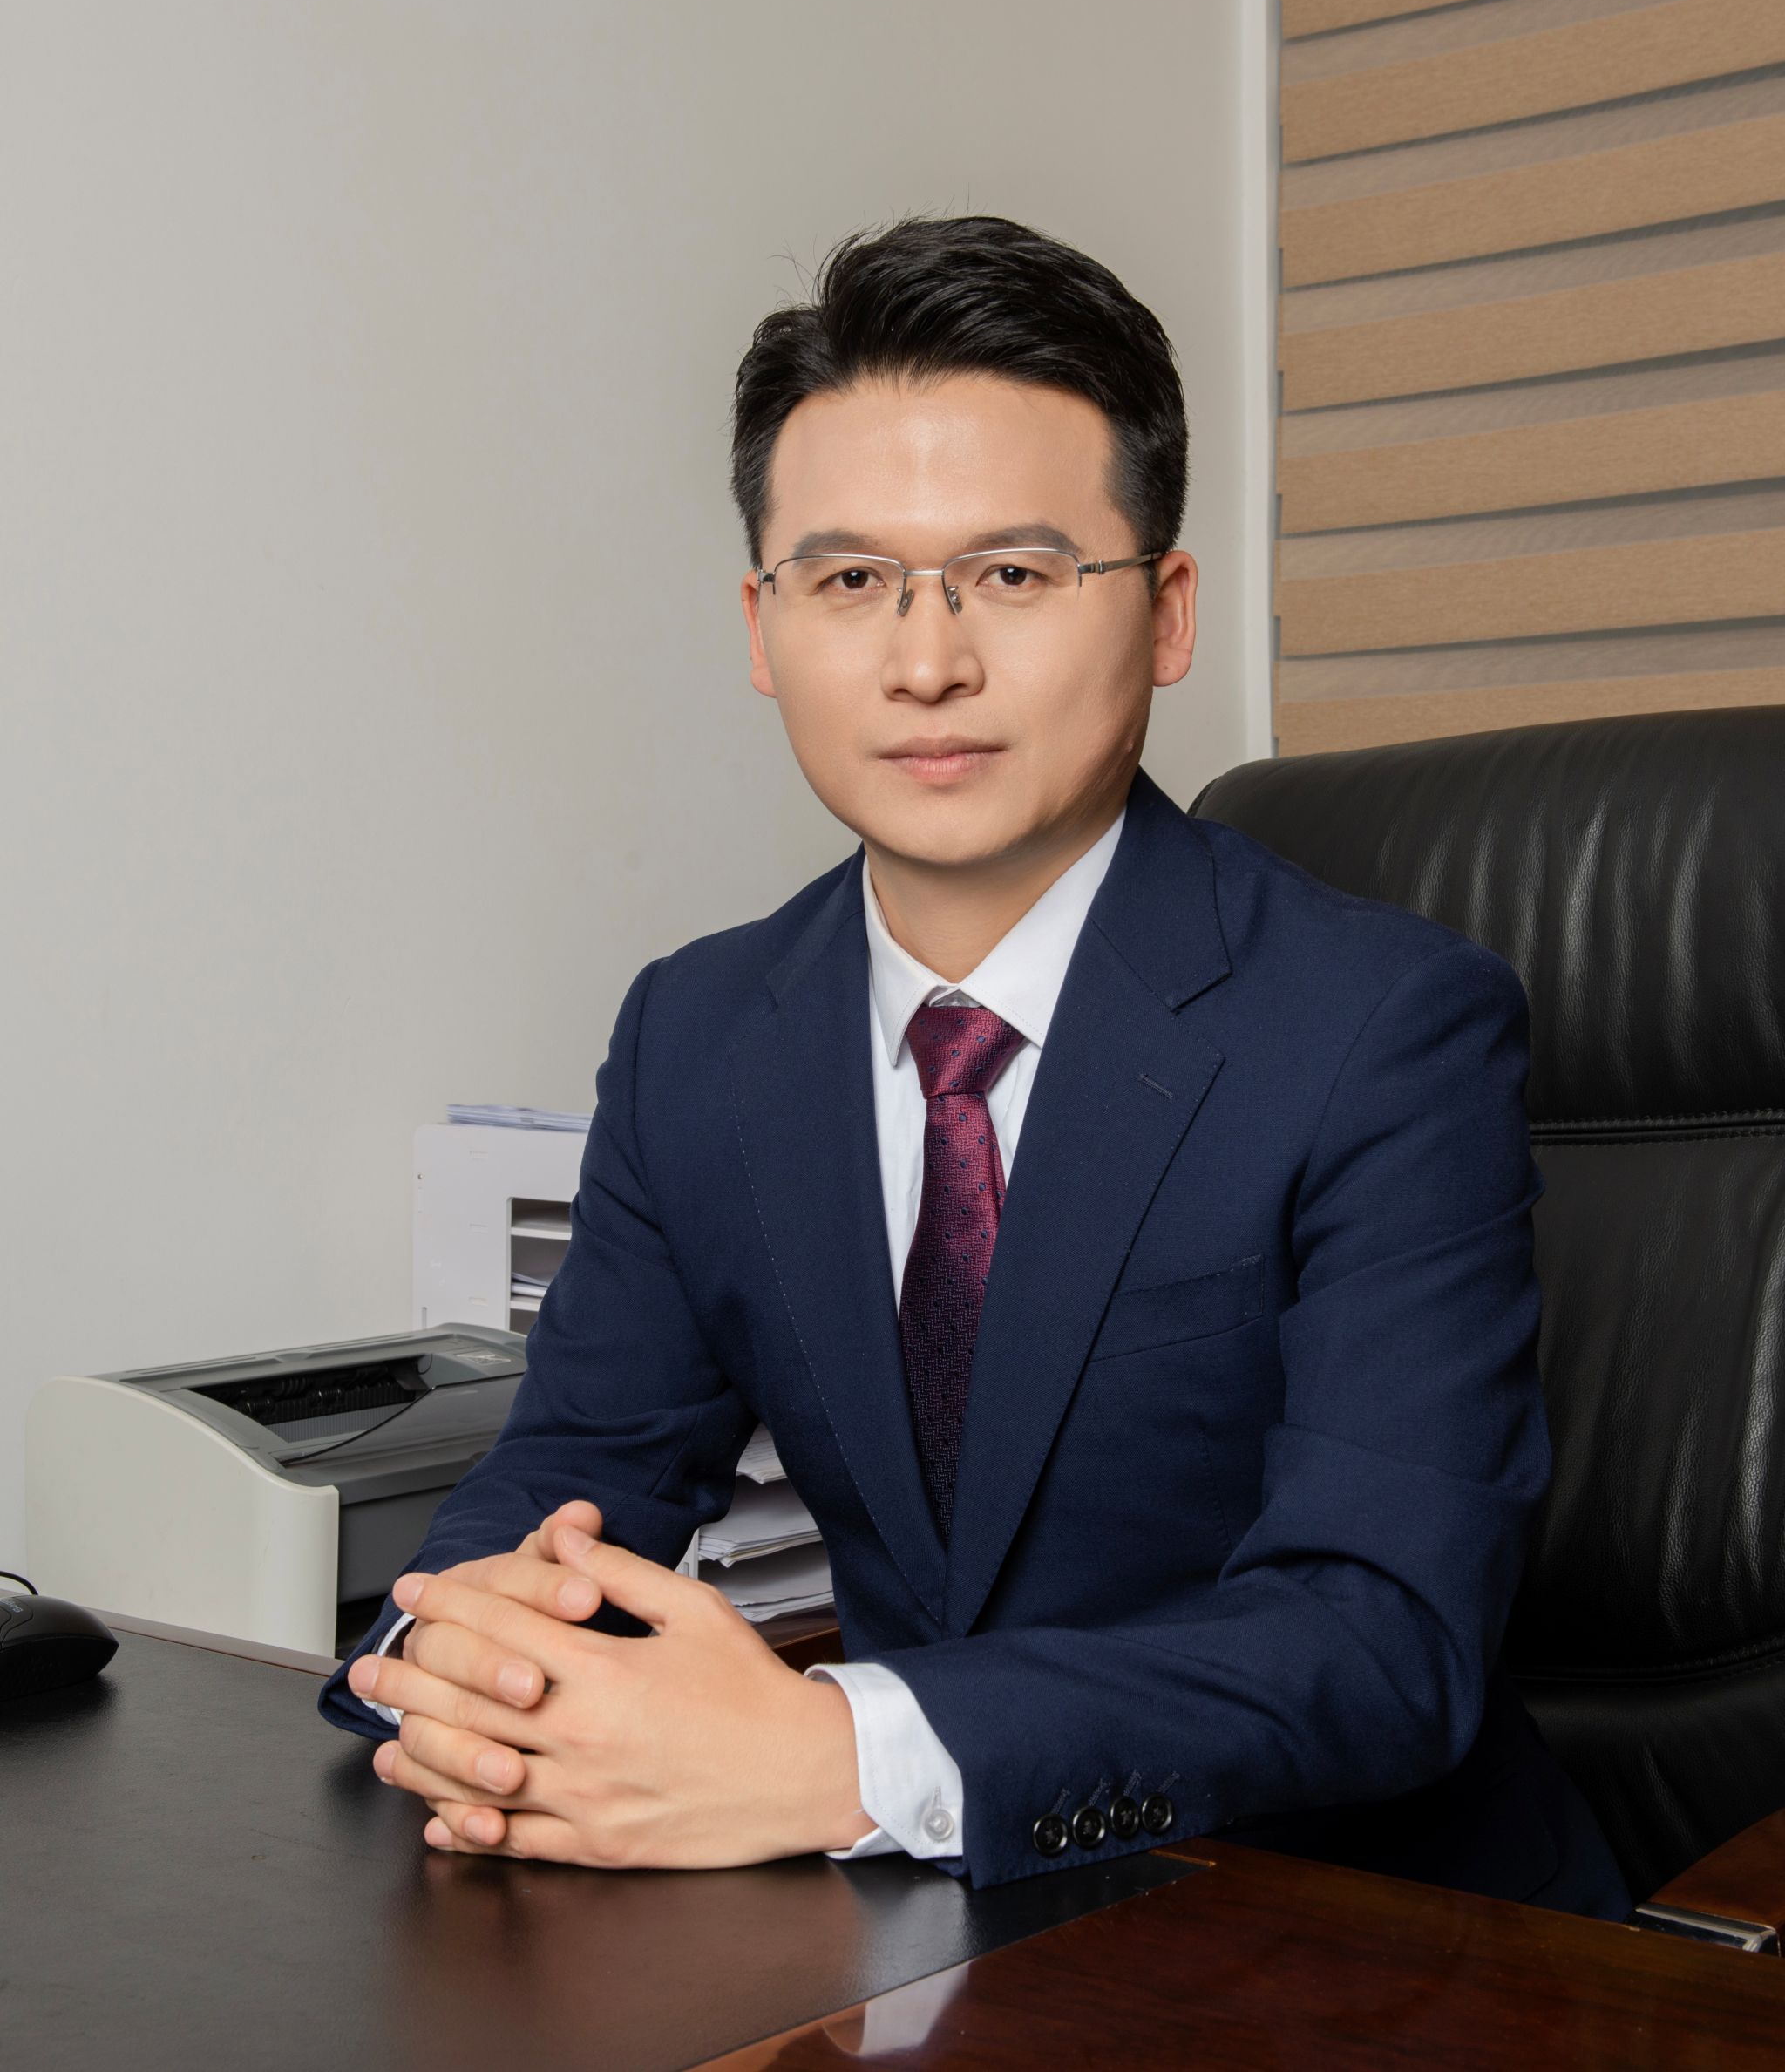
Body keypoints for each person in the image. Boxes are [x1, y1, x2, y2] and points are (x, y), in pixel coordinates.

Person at [318, 214, 1628, 1914]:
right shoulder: (699, 1032)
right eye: (849, 581)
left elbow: (1379, 1638)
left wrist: (836, 1752)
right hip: (920, 1937)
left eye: (1012, 575)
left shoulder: (1382, 1025)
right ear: (761, 626)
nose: (925, 662)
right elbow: (562, 1485)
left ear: (1166, 613)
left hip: (1348, 1934)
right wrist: (454, 1665)